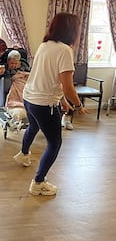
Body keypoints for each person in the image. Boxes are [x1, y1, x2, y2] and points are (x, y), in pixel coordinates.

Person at [13, 12, 88, 196]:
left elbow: (49, 78)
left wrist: (61, 100)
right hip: (44, 104)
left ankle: (23, 154)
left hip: (29, 97)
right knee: (54, 144)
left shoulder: (45, 45)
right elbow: (68, 86)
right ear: (72, 30)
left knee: (33, 126)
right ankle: (38, 183)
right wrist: (78, 106)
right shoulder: (65, 50)